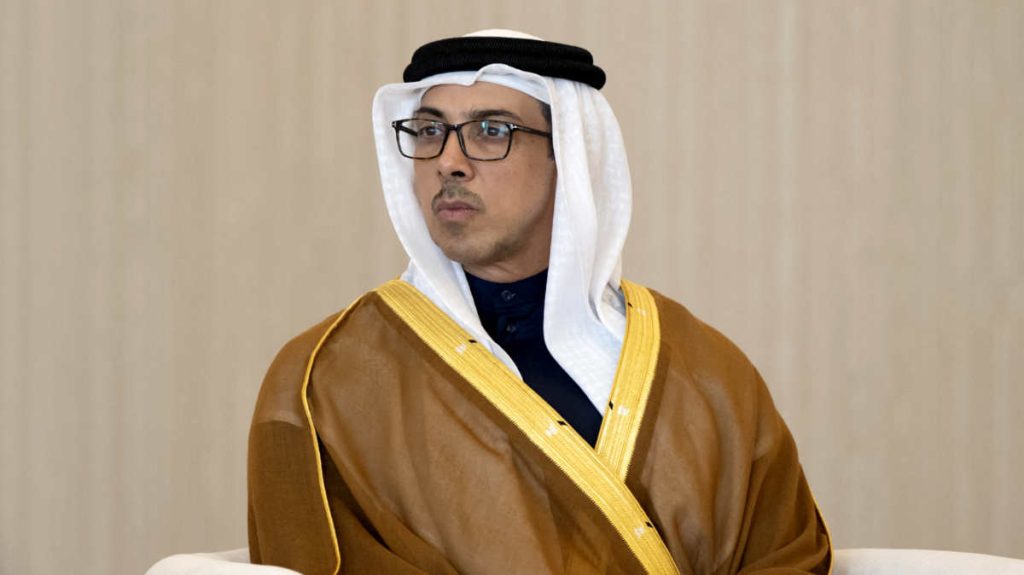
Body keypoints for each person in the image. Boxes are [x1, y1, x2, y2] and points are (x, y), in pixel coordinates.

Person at [247, 30, 832, 575]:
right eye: (428, 131)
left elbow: (788, 557)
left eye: (491, 130)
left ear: (570, 155)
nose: (448, 161)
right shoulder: (326, 378)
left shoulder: (705, 370)